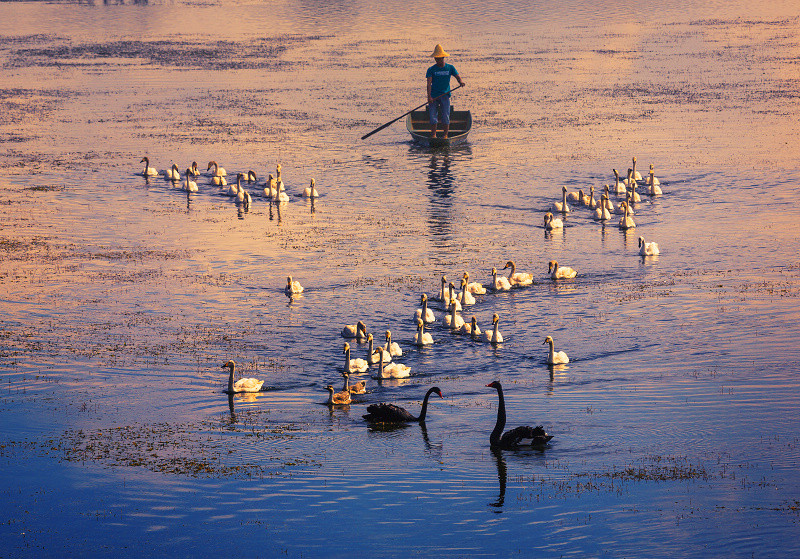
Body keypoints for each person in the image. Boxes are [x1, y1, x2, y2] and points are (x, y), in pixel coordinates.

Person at [426, 44, 465, 139]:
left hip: (445, 95)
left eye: (439, 58)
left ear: (443, 58)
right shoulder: (431, 69)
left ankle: (445, 135)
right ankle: (433, 135)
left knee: (445, 116)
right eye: (436, 58)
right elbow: (428, 84)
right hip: (434, 96)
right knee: (432, 116)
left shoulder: (450, 68)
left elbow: (458, 77)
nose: (437, 60)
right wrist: (429, 97)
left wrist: (461, 82)